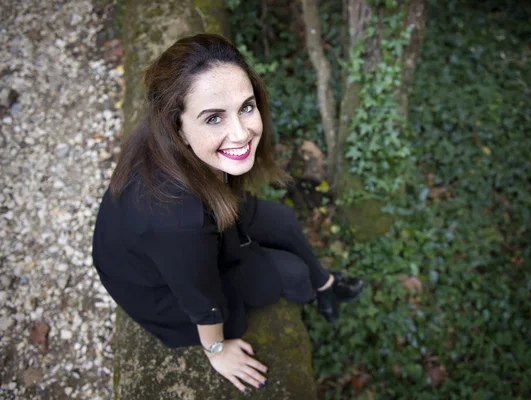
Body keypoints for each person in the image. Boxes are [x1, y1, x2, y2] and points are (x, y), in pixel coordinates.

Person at [92, 33, 364, 394]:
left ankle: (326, 284)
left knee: (282, 220)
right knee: (291, 274)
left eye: (246, 107)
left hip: (200, 221)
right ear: (178, 128)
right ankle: (312, 291)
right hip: (163, 288)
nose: (241, 133)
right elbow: (200, 300)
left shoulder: (176, 146)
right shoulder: (175, 218)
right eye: (214, 118)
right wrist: (217, 350)